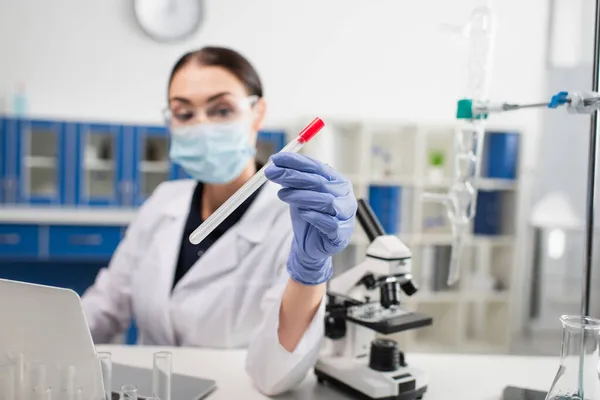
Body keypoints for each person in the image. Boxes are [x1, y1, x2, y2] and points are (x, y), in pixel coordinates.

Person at [81, 46, 357, 395]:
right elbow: (105, 308)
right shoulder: (165, 201)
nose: (201, 127)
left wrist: (310, 269)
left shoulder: (295, 218)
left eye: (222, 110)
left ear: (258, 113)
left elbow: (274, 375)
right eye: (184, 113)